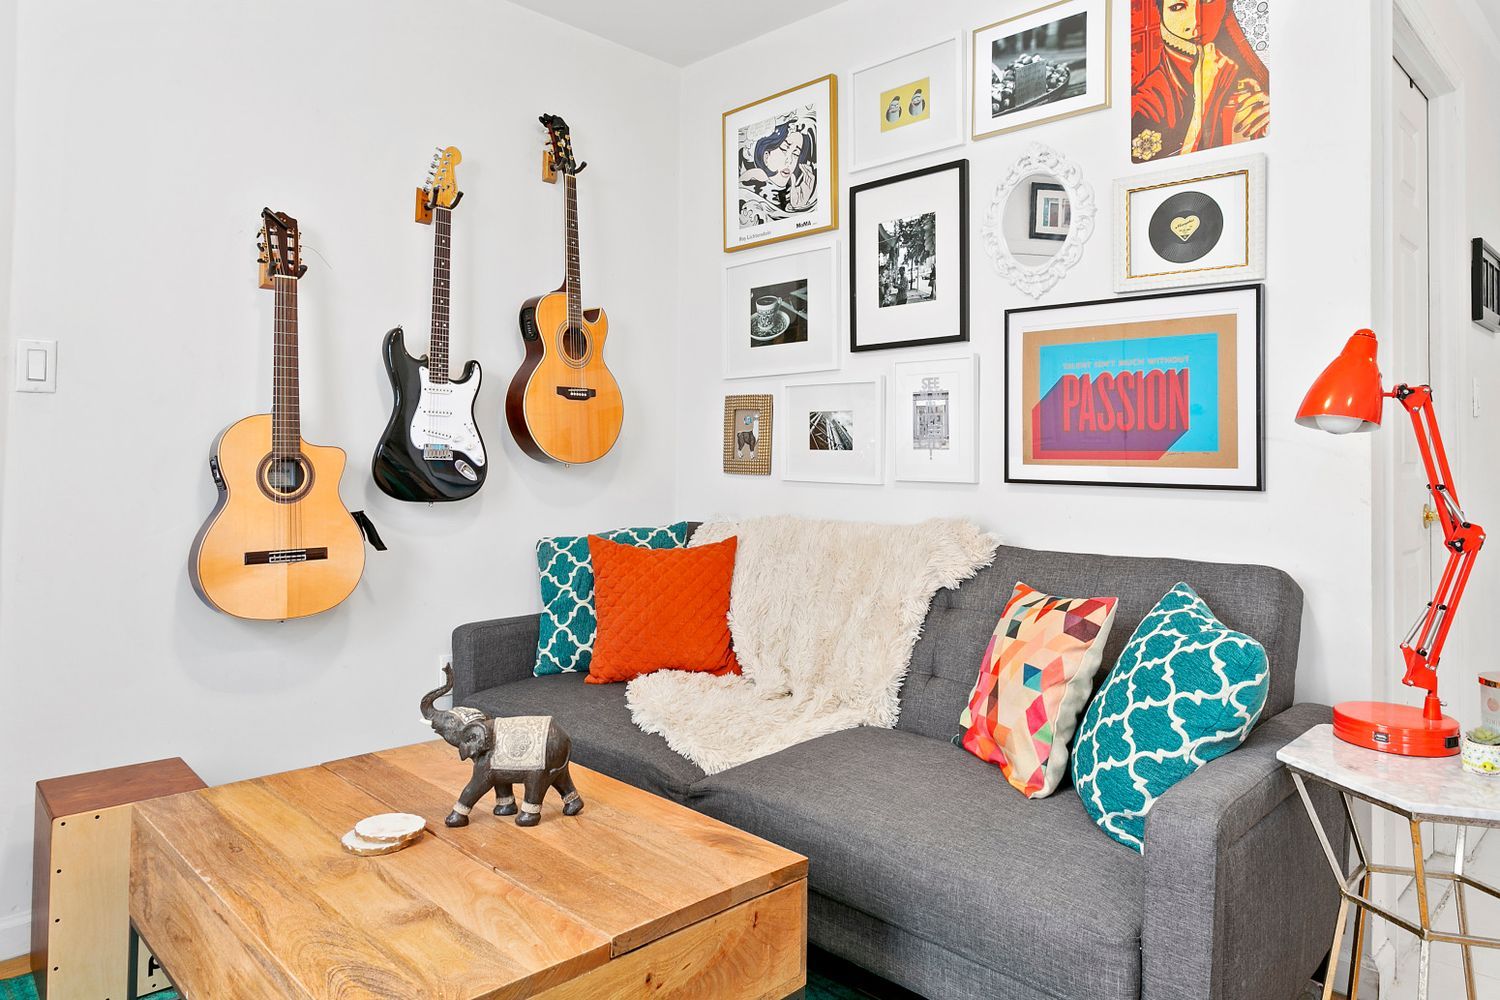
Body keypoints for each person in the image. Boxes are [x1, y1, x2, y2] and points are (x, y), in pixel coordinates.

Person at [1131, 0, 1270, 162]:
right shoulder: (1148, 101)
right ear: (1161, 14)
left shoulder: (1242, 69)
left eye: (1206, 2)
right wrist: (1205, 101)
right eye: (1177, 7)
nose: (1195, 22)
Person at [739, 119, 818, 223]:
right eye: (784, 149)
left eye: (796, 153)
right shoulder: (746, 190)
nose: (789, 160)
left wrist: (800, 205)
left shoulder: (791, 195)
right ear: (766, 155)